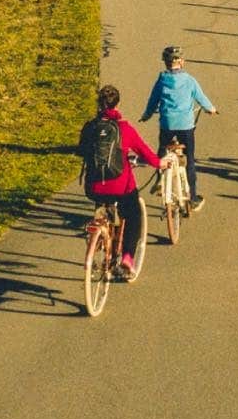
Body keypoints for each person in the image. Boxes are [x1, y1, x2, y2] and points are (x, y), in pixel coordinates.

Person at [80, 83, 160, 275]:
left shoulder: (90, 127)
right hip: (120, 186)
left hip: (94, 185)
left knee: (101, 206)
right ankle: (127, 257)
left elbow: (81, 150)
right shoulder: (124, 128)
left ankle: (98, 242)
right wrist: (160, 163)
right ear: (117, 104)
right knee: (133, 215)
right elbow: (146, 152)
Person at [140, 45, 217, 212]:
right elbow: (201, 97)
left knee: (162, 149)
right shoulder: (189, 80)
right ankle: (194, 198)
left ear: (166, 63)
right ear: (182, 62)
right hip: (185, 125)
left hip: (167, 123)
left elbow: (153, 101)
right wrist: (210, 109)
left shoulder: (161, 80)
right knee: (189, 158)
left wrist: (146, 115)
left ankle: (160, 180)